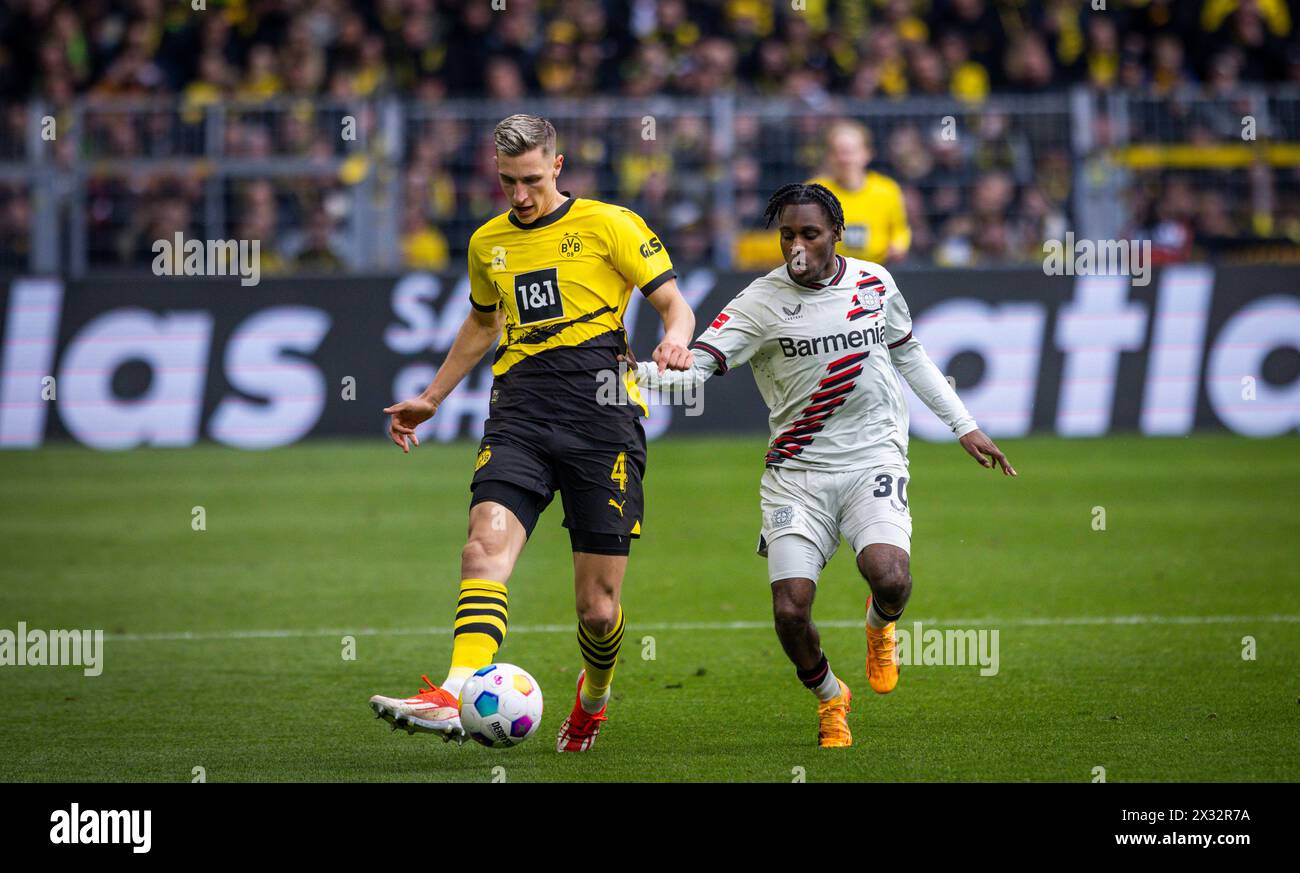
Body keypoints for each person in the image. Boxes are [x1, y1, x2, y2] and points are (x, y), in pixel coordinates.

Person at [632, 183, 1015, 747]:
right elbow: (698, 369)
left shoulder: (874, 283)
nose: (796, 247)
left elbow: (910, 354)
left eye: (809, 234)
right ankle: (831, 696)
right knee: (791, 610)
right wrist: (634, 372)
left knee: (891, 577)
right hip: (796, 474)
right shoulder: (758, 303)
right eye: (786, 235)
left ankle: (880, 626)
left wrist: (964, 425)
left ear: (837, 232)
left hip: (873, 457)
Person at [369, 114, 695, 752]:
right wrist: (432, 397)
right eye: (506, 181)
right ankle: (456, 690)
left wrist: (677, 340)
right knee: (480, 547)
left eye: (530, 180)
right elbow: (483, 324)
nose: (518, 195)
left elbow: (673, 305)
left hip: (603, 420)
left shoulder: (611, 224)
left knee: (597, 610)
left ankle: (593, 699)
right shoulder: (487, 241)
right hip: (519, 413)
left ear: (557, 166)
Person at [809, 120, 911, 264]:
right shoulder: (815, 193)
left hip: (876, 269)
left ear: (867, 153)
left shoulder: (887, 190)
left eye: (849, 152)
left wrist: (898, 246)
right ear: (828, 156)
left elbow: (900, 229)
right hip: (828, 273)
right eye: (836, 152)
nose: (844, 159)